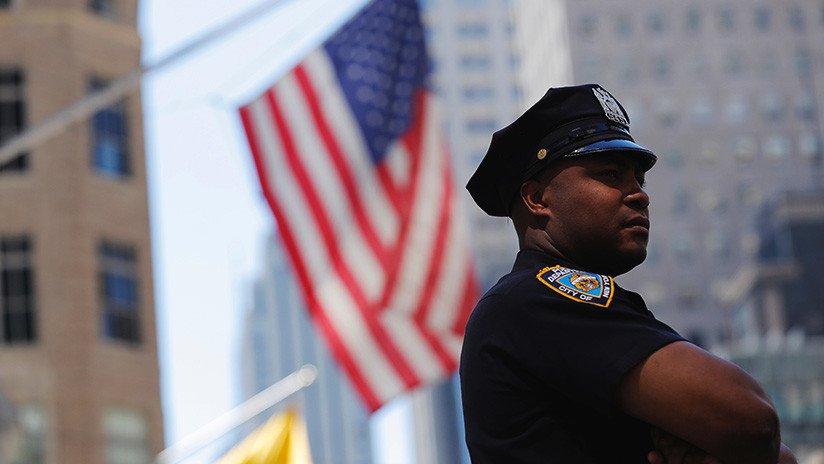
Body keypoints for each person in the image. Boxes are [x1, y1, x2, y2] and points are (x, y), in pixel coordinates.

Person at [459, 83, 797, 463]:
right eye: (609, 175)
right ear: (538, 199)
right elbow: (750, 419)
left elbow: (773, 452)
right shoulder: (533, 302)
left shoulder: (569, 306)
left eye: (639, 179)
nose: (639, 194)